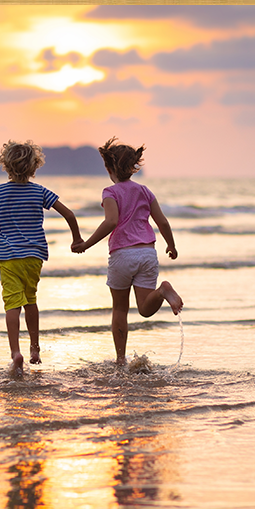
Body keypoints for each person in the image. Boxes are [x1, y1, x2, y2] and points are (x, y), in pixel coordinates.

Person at [72, 138, 183, 365]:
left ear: (109, 169)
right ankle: (162, 291)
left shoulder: (110, 192)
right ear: (133, 167)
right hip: (147, 253)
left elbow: (111, 222)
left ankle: (121, 360)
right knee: (144, 308)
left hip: (122, 255)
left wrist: (86, 244)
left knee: (120, 309)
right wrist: (171, 245)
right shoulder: (144, 191)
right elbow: (162, 222)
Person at [0, 140, 82, 377]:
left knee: (11, 303)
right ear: (34, 167)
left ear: (5, 165)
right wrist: (77, 239)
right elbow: (69, 214)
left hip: (8, 256)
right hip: (34, 255)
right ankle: (35, 349)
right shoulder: (40, 191)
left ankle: (15, 351)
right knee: (30, 299)